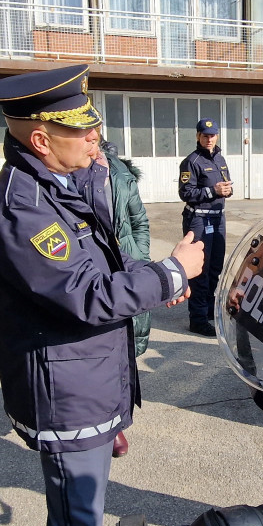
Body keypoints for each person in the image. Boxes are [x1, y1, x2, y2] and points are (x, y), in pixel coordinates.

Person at [0, 64, 205, 526]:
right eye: (83, 132)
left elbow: (106, 266)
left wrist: (156, 283)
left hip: (88, 380)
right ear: (41, 141)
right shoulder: (23, 208)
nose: (97, 139)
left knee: (87, 518)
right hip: (67, 394)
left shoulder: (62, 183)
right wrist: (171, 273)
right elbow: (88, 296)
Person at [95, 139, 152, 458]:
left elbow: (140, 222)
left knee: (127, 345)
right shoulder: (69, 176)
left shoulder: (121, 175)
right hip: (95, 269)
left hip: (128, 265)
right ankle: (110, 425)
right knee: (100, 344)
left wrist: (140, 257)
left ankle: (117, 414)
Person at [179, 118, 233, 336]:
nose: (209, 139)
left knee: (215, 269)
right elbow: (186, 193)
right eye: (205, 135)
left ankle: (209, 310)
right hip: (199, 220)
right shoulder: (191, 162)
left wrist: (228, 190)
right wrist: (213, 192)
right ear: (198, 137)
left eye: (212, 135)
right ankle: (198, 319)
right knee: (199, 270)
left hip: (218, 219)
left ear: (217, 136)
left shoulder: (220, 159)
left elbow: (226, 185)